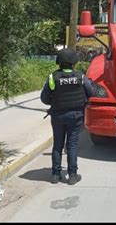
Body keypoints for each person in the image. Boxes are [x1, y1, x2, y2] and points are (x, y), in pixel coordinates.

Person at [40, 48, 96, 185]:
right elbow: (91, 92)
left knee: (58, 144)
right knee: (72, 145)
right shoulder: (80, 76)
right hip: (76, 115)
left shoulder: (53, 77)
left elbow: (44, 98)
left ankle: (55, 175)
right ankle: (72, 175)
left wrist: (55, 101)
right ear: (74, 62)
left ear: (58, 62)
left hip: (58, 115)